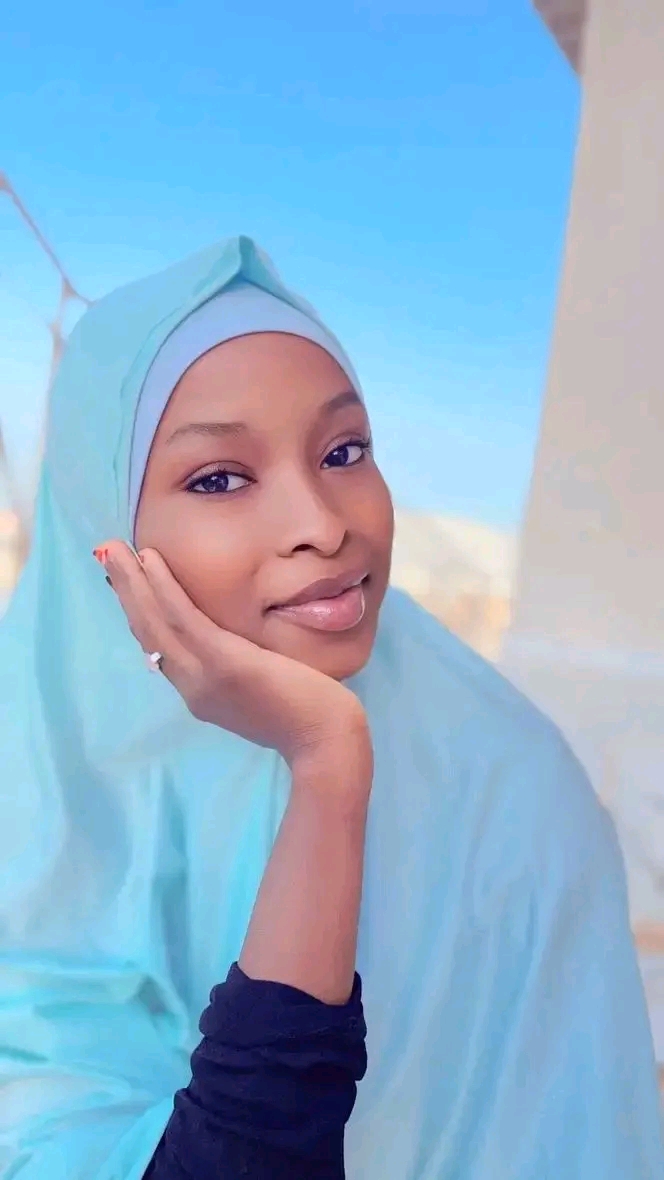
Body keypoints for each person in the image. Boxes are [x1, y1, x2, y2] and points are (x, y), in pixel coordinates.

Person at [0, 234, 662, 1179]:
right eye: (220, 478)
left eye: (344, 452)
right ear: (100, 529)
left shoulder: (508, 786)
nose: (322, 524)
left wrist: (325, 770)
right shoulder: (31, 795)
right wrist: (327, 763)